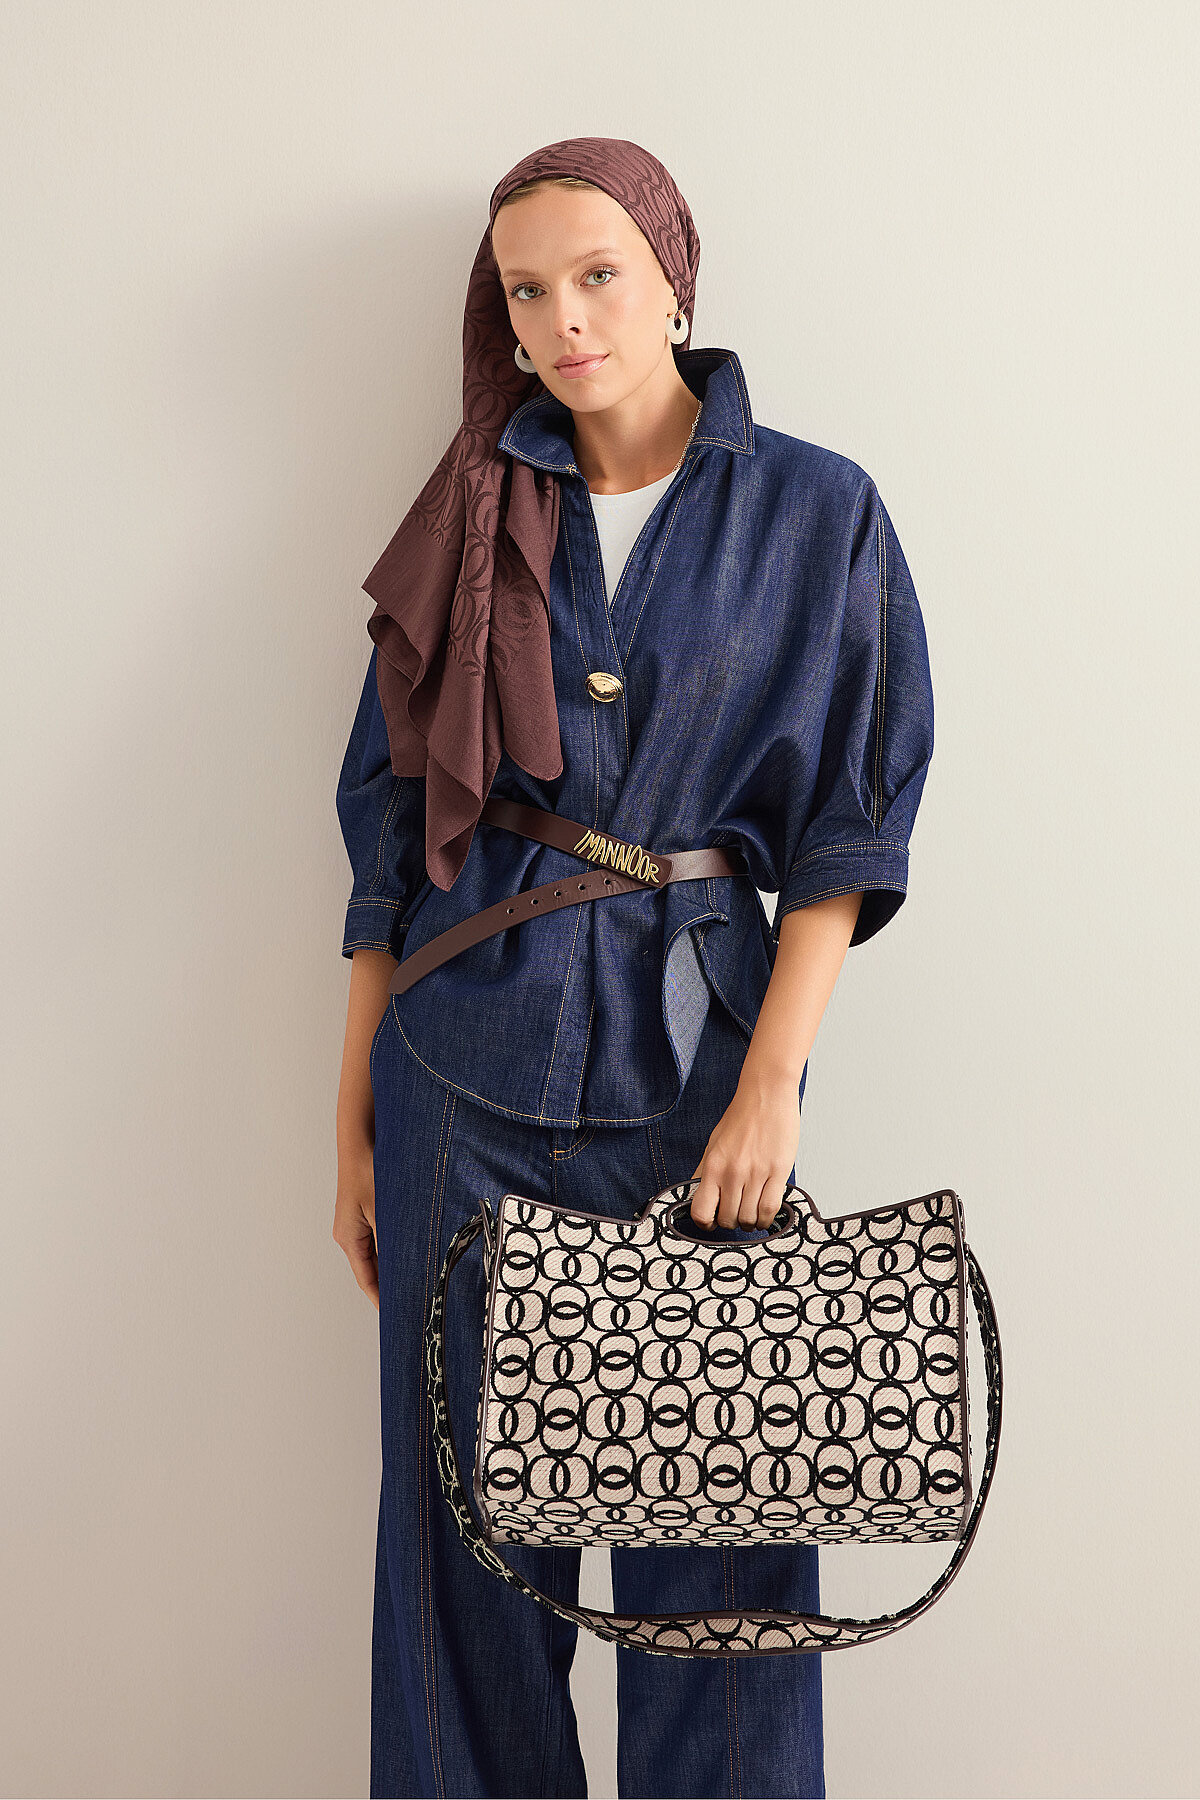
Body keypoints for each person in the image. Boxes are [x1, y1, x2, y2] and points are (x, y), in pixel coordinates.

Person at [333, 137, 935, 1800]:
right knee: (458, 1564)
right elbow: (390, 821)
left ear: (674, 276)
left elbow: (847, 827)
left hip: (700, 1080)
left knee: (723, 1556)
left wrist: (772, 1089)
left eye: (597, 274)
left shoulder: (815, 508)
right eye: (526, 291)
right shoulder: (468, 515)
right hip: (457, 1073)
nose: (564, 320)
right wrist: (352, 1109)